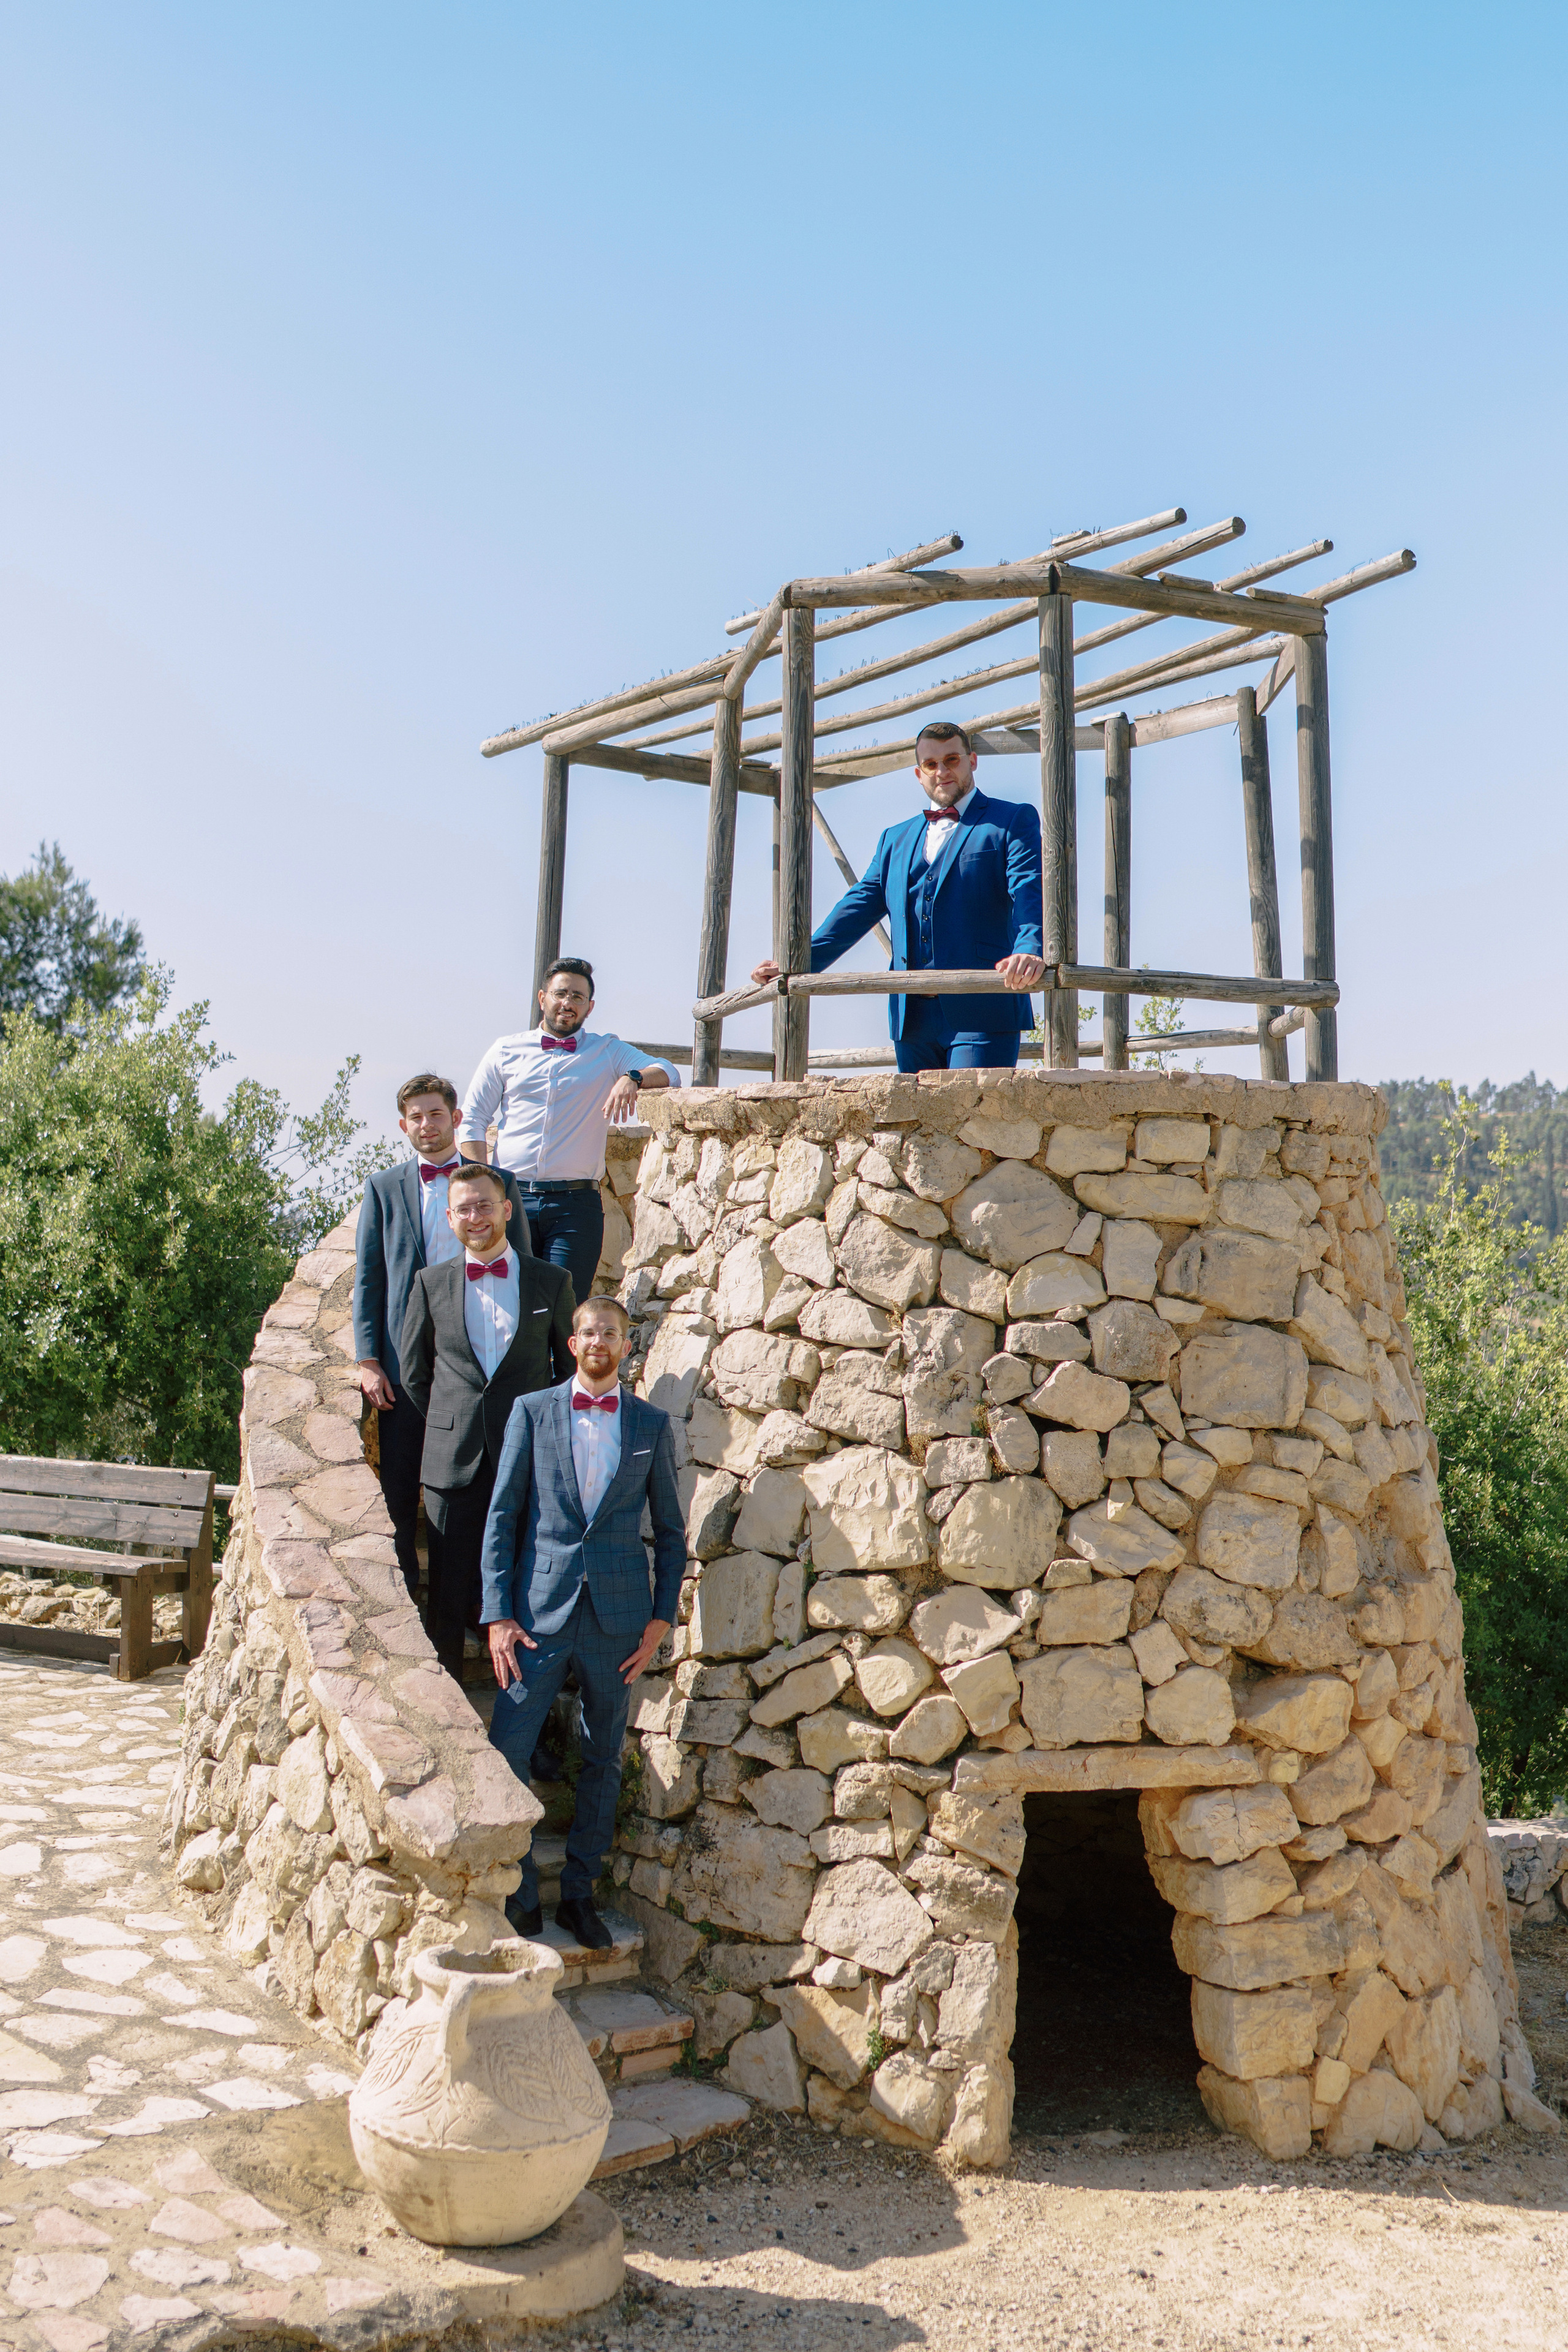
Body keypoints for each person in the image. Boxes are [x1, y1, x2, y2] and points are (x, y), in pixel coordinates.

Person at [480, 1295, 684, 1951]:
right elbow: (502, 1517)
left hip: (619, 1622)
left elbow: (672, 1534)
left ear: (628, 1348)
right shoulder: (531, 1413)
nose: (599, 1341)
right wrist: (497, 1615)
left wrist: (659, 1621)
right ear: (572, 1345)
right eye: (589, 1332)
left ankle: (578, 1896)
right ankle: (515, 1892)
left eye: (612, 1334)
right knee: (509, 1747)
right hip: (536, 1616)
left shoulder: (651, 1425)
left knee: (602, 1758)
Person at [750, 720, 1046, 1073]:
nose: (942, 772)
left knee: (972, 1120)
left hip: (982, 1006)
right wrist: (798, 960)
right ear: (918, 774)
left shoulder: (1011, 819)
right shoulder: (895, 838)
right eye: (931, 765)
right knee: (917, 1127)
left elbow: (1027, 887)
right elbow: (858, 907)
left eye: (952, 760)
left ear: (973, 761)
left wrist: (1029, 948)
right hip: (911, 1016)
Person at [352, 1074, 533, 1604]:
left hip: (481, 1357)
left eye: (435, 1114)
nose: (426, 1125)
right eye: (415, 1116)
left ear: (456, 1119)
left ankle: (486, 1607)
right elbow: (369, 1277)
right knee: (402, 1485)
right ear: (403, 1125)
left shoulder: (498, 1185)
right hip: (404, 1361)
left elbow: (521, 1264)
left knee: (494, 1485)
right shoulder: (383, 1188)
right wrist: (368, 1358)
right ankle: (405, 1606)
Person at [399, 1162, 575, 1683]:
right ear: (450, 1219)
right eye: (464, 1209)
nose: (476, 1217)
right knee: (449, 1598)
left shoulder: (551, 1281)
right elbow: (415, 1375)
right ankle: (447, 1711)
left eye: (485, 1205)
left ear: (506, 1209)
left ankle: (526, 1726)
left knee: (528, 1595)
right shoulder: (430, 1284)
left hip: (527, 1465)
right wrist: (450, 1425)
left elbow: (568, 1375)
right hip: (453, 1466)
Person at [458, 957, 677, 1307]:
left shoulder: (606, 1051)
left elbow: (668, 1071)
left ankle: (560, 1365)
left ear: (589, 1008)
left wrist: (632, 1077)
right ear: (542, 998)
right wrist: (479, 1189)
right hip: (512, 1200)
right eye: (561, 994)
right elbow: (472, 1120)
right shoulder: (505, 1050)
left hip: (575, 1207)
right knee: (503, 1303)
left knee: (565, 1308)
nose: (568, 1003)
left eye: (578, 997)